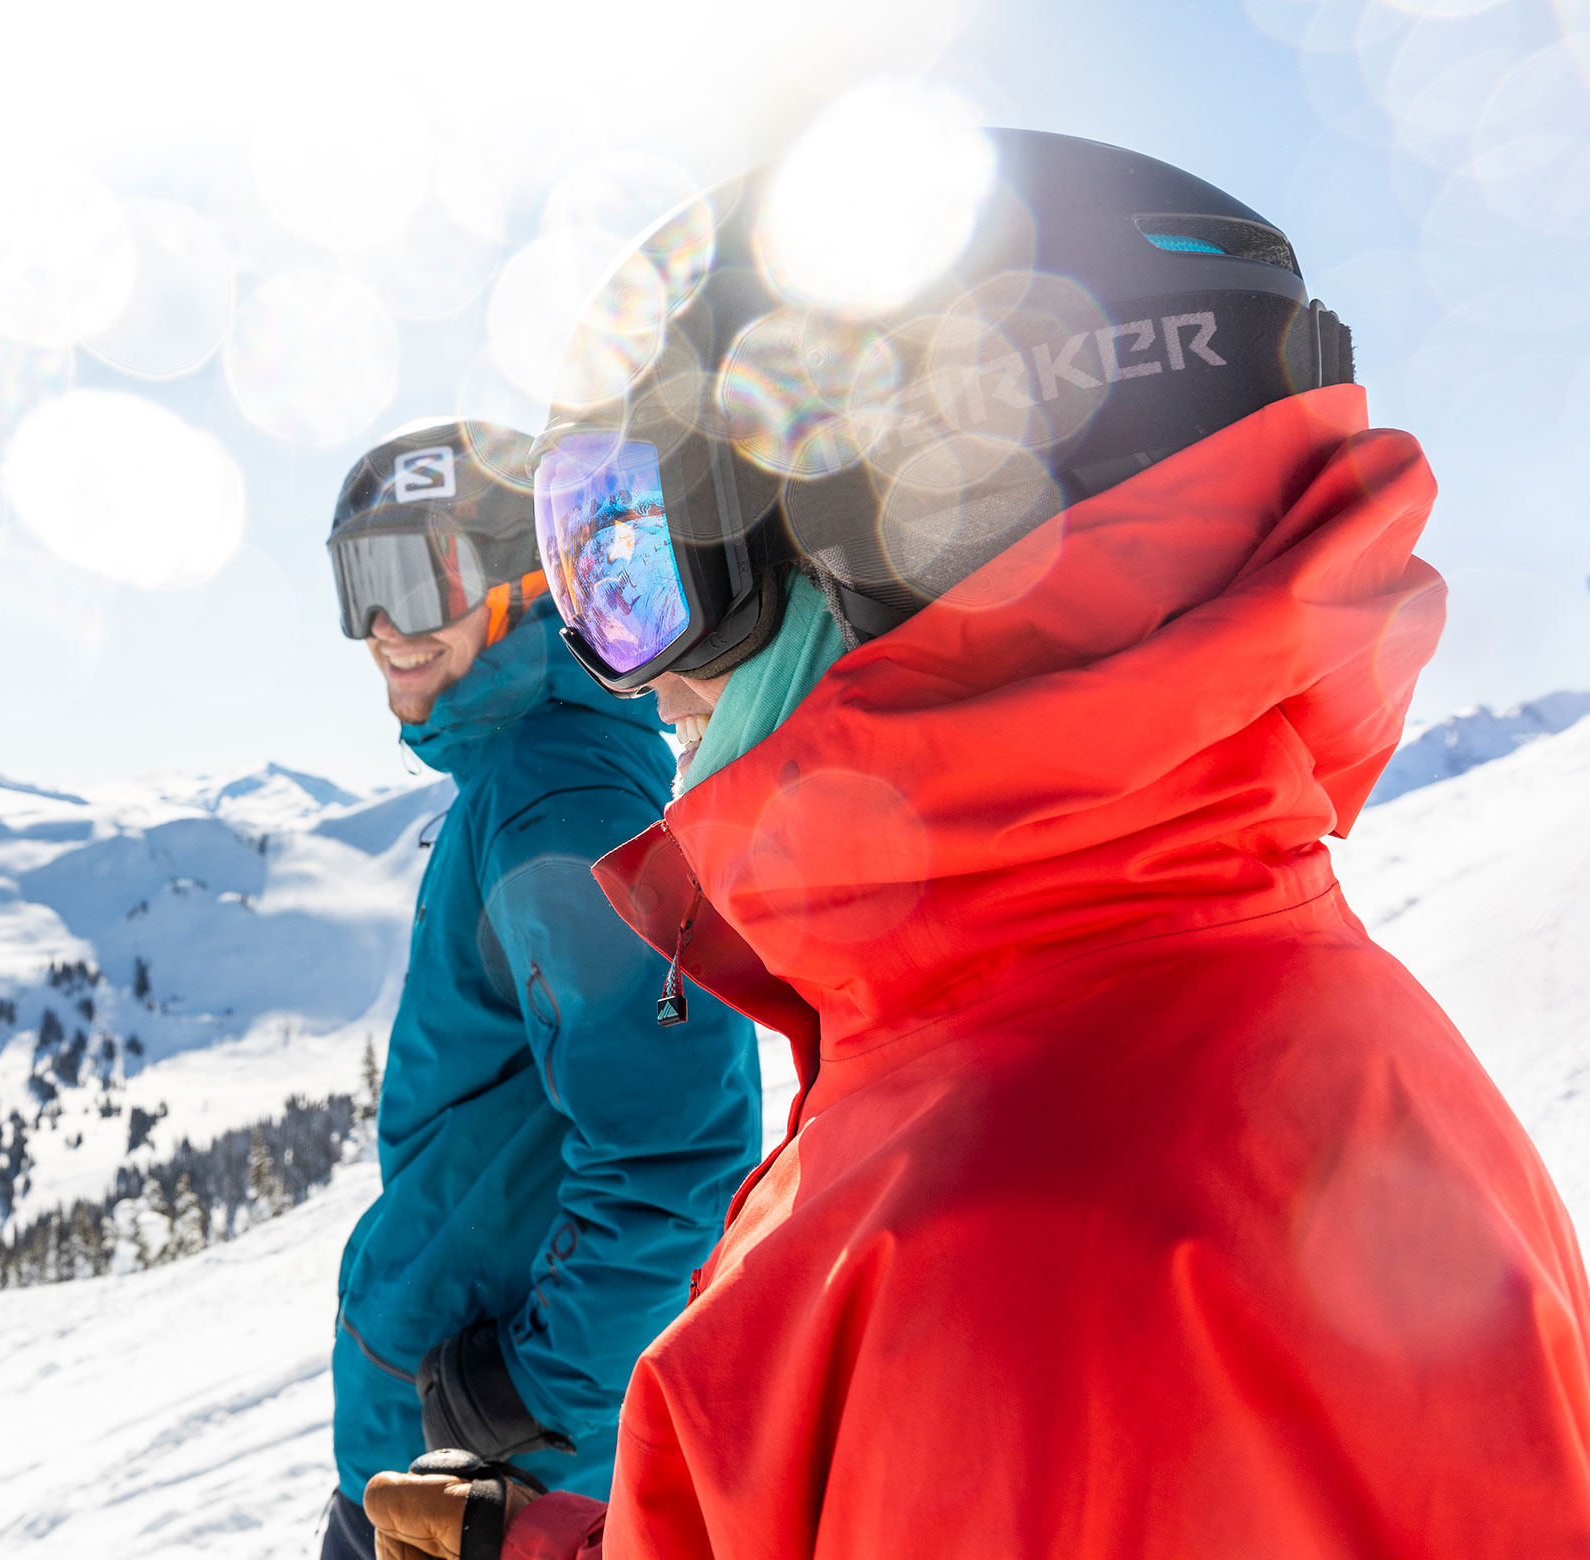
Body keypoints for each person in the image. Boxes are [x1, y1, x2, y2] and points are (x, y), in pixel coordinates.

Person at [366, 131, 1590, 1558]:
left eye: (634, 553)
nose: (638, 674)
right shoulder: (1132, 1028)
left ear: (890, 525)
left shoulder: (1034, 1245)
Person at [318, 422, 763, 1560]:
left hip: (485, 1471)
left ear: (522, 573)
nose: (380, 630)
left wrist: (519, 1397)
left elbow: (676, 1150)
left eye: (414, 579)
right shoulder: (527, 770)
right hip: (453, 1439)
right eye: (355, 587)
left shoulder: (549, 790)